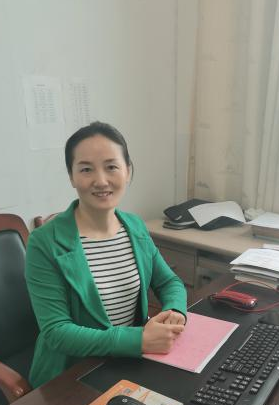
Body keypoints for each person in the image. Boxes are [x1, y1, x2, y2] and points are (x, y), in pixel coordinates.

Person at [25, 121, 187, 388]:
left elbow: (169, 282)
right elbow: (57, 331)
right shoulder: (44, 242)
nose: (101, 181)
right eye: (86, 169)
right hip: (71, 374)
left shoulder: (135, 226)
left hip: (129, 363)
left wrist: (174, 310)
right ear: (71, 177)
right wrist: (138, 339)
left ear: (128, 171)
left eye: (111, 167)